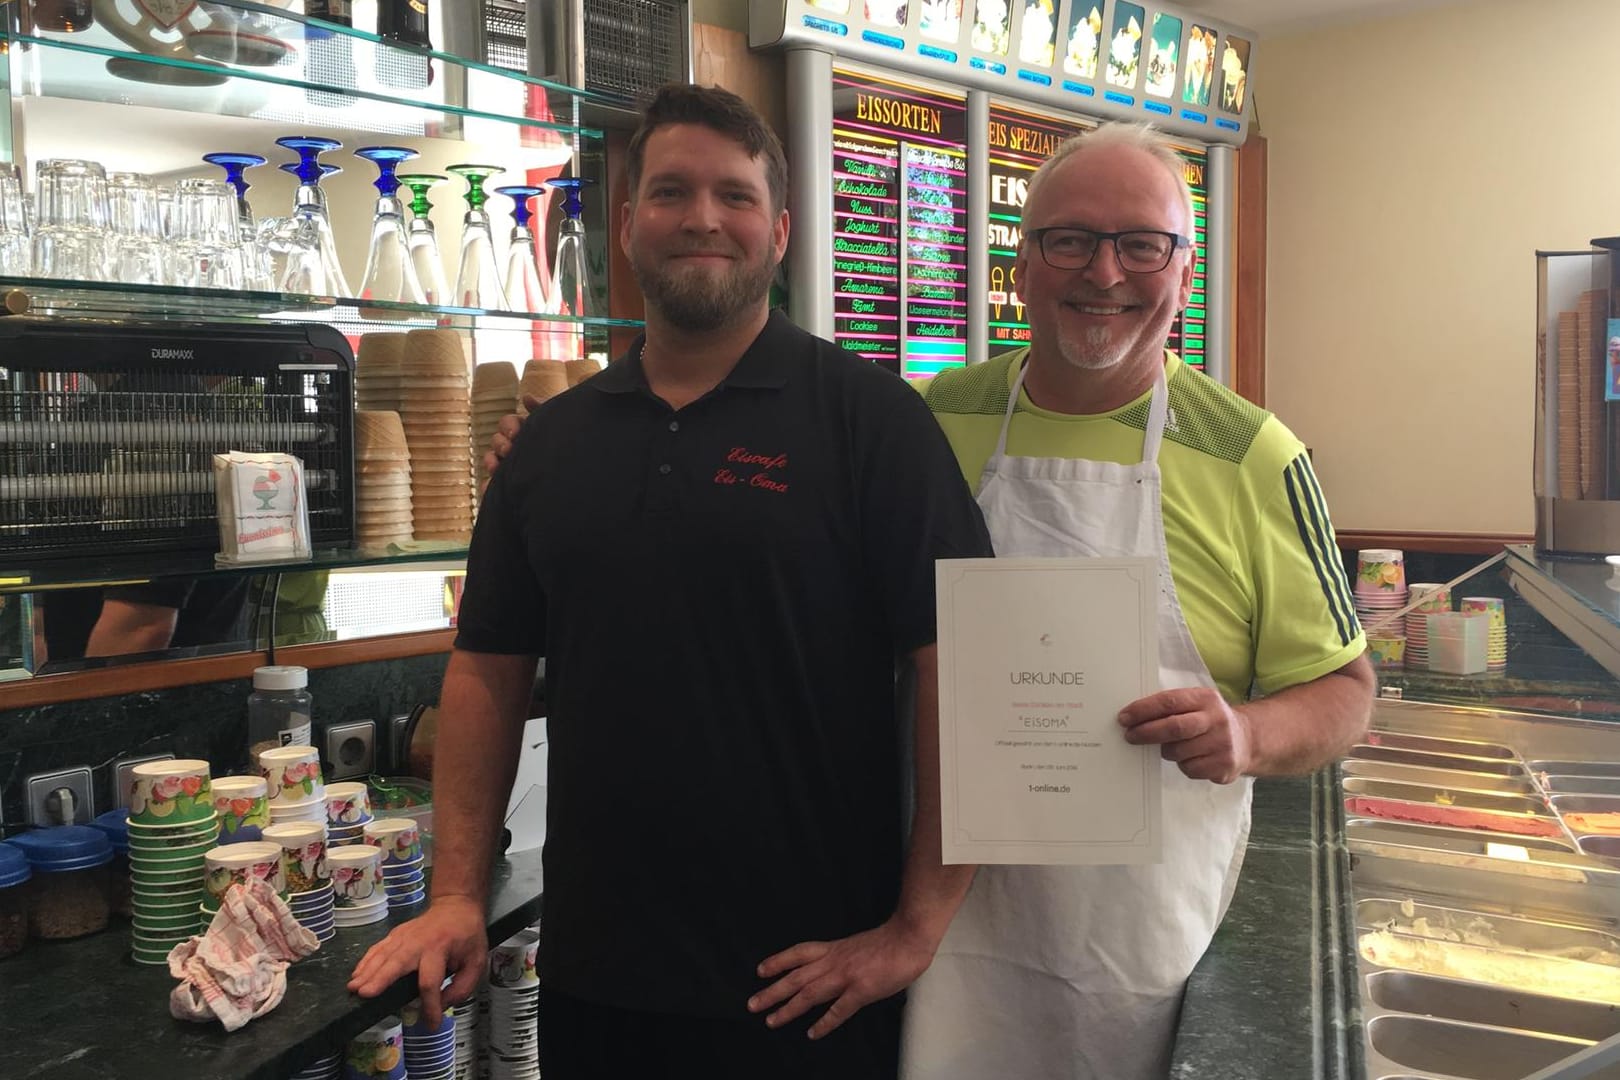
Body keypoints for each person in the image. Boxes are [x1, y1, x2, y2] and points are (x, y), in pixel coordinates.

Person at [348, 83, 993, 1078]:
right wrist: (457, 895)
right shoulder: (549, 448)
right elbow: (485, 672)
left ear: (779, 231)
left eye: (734, 196)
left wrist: (918, 925)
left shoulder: (872, 422)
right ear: (625, 226)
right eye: (672, 192)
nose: (703, 218)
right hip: (598, 974)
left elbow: (966, 669)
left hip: (810, 984)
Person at [900, 122, 1374, 1079]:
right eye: (1068, 239)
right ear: (1023, 265)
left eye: (1140, 244)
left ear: (1183, 269)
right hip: (935, 922)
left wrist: (1245, 734)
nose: (1103, 273)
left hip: (1136, 947)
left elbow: (1346, 690)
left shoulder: (1253, 455)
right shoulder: (930, 421)